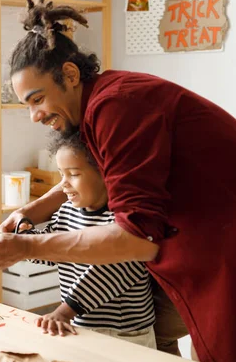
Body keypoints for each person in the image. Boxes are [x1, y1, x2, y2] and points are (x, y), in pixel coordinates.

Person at [0, 0, 236, 362]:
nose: (35, 116)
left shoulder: (117, 106)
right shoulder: (96, 107)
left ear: (71, 75)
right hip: (201, 240)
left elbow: (135, 238)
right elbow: (83, 176)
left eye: (38, 100)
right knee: (165, 348)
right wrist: (29, 212)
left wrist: (24, 246)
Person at [24, 133, 156, 348]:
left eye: (73, 174)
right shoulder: (67, 211)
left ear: (106, 174)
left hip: (126, 333)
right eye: (61, 175)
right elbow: (51, 248)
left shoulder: (123, 220)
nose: (63, 185)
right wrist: (18, 241)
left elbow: (111, 271)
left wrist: (64, 311)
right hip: (83, 322)